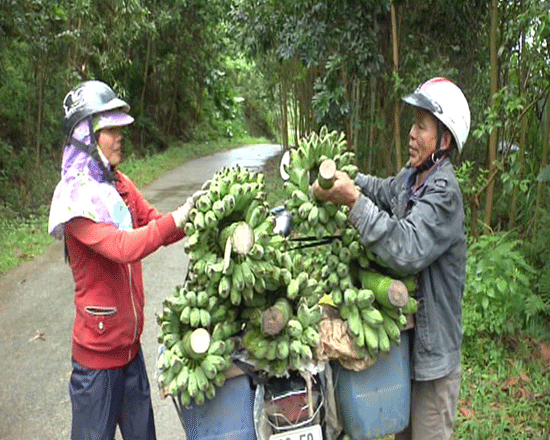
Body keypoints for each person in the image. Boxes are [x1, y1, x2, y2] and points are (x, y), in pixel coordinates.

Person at [314, 77, 470, 440]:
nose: (412, 134)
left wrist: (354, 203)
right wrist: (348, 180)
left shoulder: (444, 193)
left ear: (444, 141)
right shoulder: (413, 177)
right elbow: (383, 189)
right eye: (413, 123)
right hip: (407, 349)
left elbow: (407, 248)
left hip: (434, 358)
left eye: (421, 126)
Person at [48, 80, 201, 440]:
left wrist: (195, 214)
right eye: (110, 130)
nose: (120, 137)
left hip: (130, 353)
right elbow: (123, 247)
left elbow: (153, 222)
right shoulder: (75, 202)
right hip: (97, 364)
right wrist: (176, 219)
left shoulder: (118, 185)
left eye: (120, 129)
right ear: (86, 135)